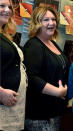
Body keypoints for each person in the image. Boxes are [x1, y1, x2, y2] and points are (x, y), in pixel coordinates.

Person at [23, 6, 69, 131]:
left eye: (53, 19)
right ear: (37, 23)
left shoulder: (52, 43)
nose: (51, 23)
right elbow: (31, 78)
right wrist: (57, 92)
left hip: (54, 111)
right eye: (46, 20)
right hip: (40, 115)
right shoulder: (33, 46)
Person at [0, 0, 27, 130]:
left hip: (11, 109)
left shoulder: (4, 35)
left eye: (9, 7)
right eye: (2, 6)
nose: (7, 10)